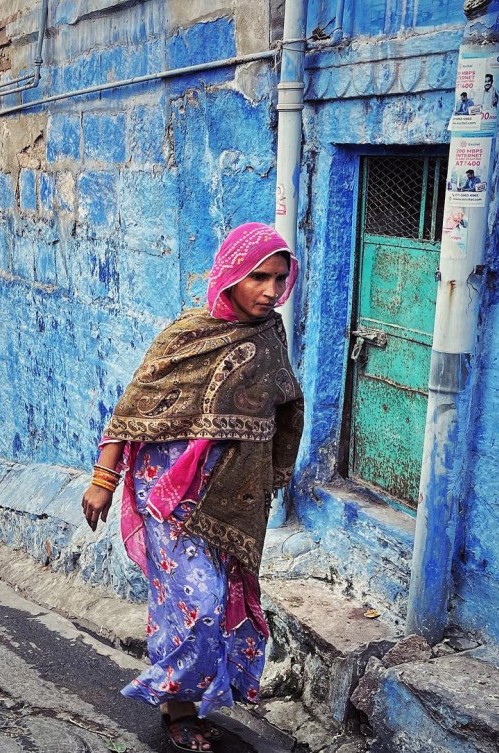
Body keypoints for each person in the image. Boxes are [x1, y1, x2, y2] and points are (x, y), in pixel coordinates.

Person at [82, 222, 304, 752]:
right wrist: (103, 481)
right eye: (259, 278)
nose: (271, 291)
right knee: (197, 602)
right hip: (168, 494)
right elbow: (134, 409)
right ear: (231, 275)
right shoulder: (188, 334)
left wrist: (267, 478)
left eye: (279, 278)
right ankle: (176, 705)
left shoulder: (270, 335)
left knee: (217, 602)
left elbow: (283, 403)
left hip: (230, 498)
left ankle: (184, 701)